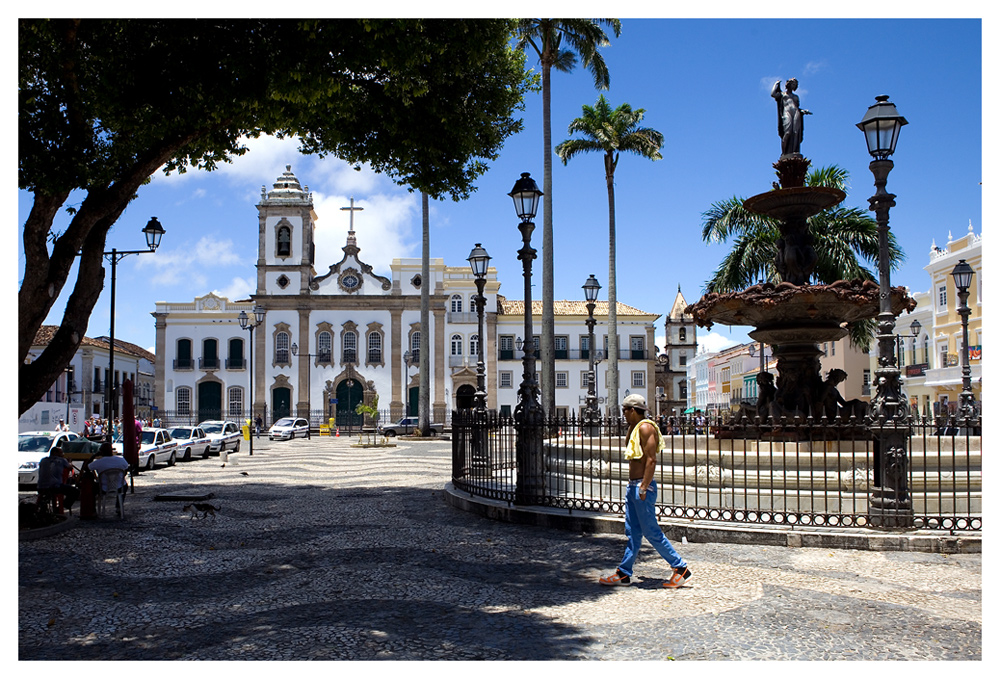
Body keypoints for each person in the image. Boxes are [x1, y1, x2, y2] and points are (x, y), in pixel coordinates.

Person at [600, 394, 692, 588]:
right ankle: (624, 573)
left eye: (625, 410)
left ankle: (680, 567)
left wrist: (643, 487)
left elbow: (651, 459)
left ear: (632, 410)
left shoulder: (646, 427)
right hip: (633, 485)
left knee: (651, 531)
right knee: (633, 532)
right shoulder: (635, 428)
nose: (623, 414)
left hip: (642, 486)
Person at [771, 78, 811, 157]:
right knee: (788, 132)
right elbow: (773, 94)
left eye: (795, 85)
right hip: (787, 112)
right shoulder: (783, 94)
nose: (793, 86)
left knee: (796, 132)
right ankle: (784, 153)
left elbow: (796, 107)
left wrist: (802, 111)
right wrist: (776, 84)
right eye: (792, 84)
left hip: (796, 113)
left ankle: (795, 151)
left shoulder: (796, 97)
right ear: (788, 84)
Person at [88, 442, 130, 515]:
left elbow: (87, 468)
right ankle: (119, 506)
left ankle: (93, 509)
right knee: (125, 484)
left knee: (92, 488)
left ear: (101, 452)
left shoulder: (98, 462)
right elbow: (126, 469)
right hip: (119, 487)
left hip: (103, 488)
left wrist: (93, 456)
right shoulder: (121, 460)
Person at [37, 446, 80, 512]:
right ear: (55, 453)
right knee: (75, 491)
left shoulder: (43, 460)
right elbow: (69, 466)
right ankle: (64, 505)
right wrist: (69, 461)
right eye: (61, 452)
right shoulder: (62, 460)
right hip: (55, 487)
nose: (62, 454)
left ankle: (46, 508)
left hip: (40, 487)